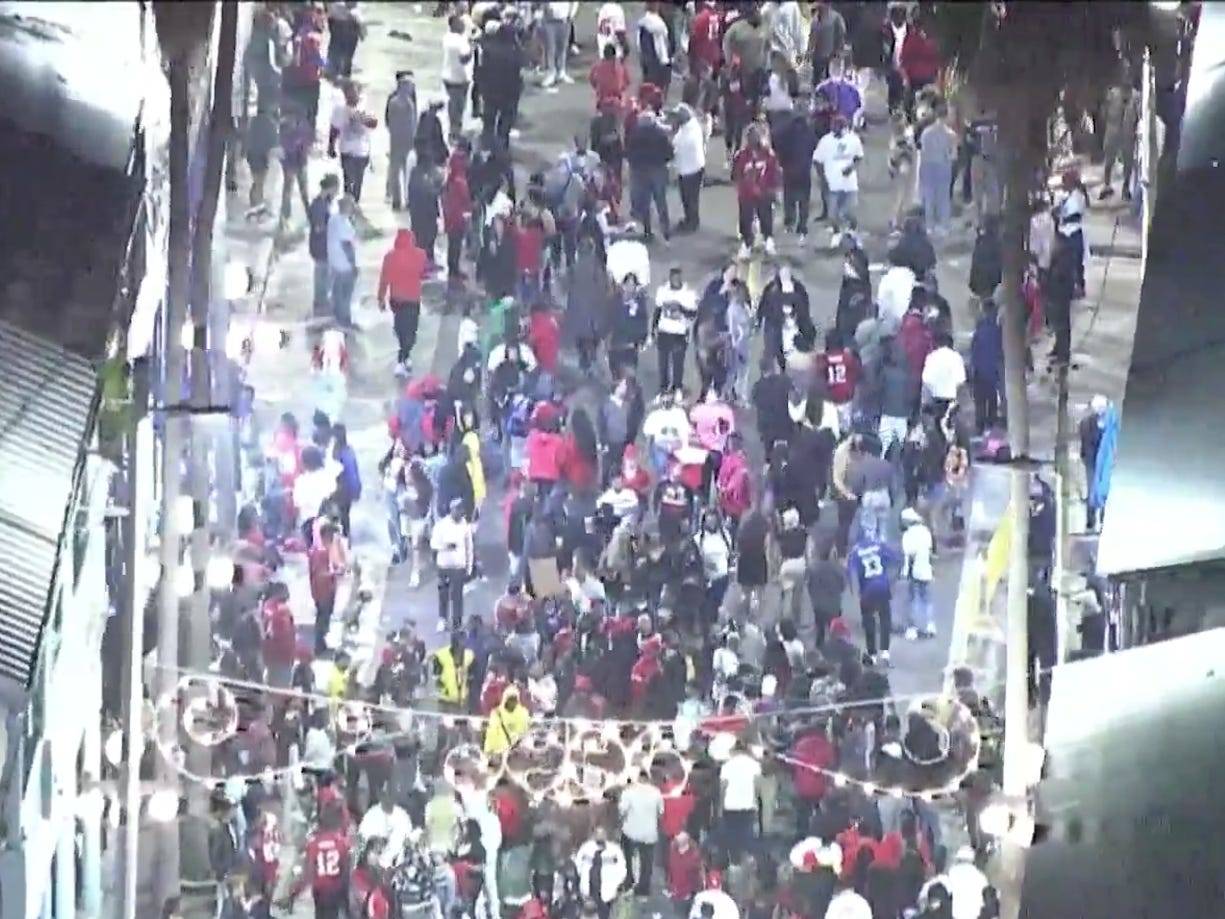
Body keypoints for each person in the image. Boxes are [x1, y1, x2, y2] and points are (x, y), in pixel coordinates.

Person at [282, 807, 351, 918]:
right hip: (335, 891)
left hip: (320, 892)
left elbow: (308, 873)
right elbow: (346, 871)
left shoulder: (313, 844)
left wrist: (295, 891)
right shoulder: (341, 843)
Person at [847, 530, 901, 664]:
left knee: (868, 621)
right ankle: (885, 652)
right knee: (885, 619)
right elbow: (896, 559)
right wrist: (893, 580)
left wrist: (854, 591)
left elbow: (850, 572)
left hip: (867, 590)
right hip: (882, 585)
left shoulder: (855, 552)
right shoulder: (879, 546)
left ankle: (872, 654)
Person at [378, 229, 427, 373]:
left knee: (400, 326)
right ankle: (404, 355)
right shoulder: (420, 255)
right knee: (411, 329)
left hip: (396, 299)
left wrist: (381, 299)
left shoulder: (389, 257)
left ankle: (403, 354)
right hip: (413, 299)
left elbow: (383, 279)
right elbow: (423, 273)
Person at [813, 115, 863, 249]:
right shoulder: (825, 141)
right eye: (835, 126)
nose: (837, 129)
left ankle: (853, 232)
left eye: (840, 127)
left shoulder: (853, 139)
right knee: (832, 215)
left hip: (850, 184)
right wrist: (822, 179)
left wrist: (851, 168)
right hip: (833, 184)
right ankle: (836, 234)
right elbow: (817, 160)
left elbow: (859, 157)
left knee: (849, 212)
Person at [731, 123, 781, 258]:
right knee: (745, 219)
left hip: (764, 192)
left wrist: (773, 190)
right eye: (751, 136)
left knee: (766, 217)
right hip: (747, 194)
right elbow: (736, 175)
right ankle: (747, 243)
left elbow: (774, 172)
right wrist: (743, 188)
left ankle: (768, 239)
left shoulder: (768, 153)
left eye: (756, 136)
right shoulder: (741, 155)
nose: (754, 139)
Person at [626, 110, 674, 242]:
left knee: (645, 202)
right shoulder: (659, 134)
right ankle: (666, 230)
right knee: (661, 201)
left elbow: (628, 152)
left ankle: (648, 230)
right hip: (658, 170)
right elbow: (669, 153)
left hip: (640, 171)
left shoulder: (634, 134)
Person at [329, 83, 378, 204]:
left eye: (354, 93)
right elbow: (334, 129)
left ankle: (354, 205)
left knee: (358, 183)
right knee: (348, 181)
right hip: (347, 152)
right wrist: (331, 147)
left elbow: (374, 123)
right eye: (348, 93)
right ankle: (348, 207)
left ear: (358, 94)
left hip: (363, 152)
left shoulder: (365, 107)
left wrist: (359, 117)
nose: (351, 96)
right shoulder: (339, 109)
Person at [431, 498, 475, 632]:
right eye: (457, 510)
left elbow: (469, 548)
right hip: (444, 566)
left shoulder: (465, 526)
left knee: (457, 596)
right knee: (443, 594)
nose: (459, 513)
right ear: (451, 510)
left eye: (461, 510)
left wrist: (469, 567)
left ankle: (457, 622)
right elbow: (433, 544)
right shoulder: (441, 525)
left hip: (458, 567)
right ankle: (442, 619)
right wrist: (446, 546)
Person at [777, 108, 819, 244]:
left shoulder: (784, 132)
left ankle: (789, 222)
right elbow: (814, 146)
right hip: (804, 170)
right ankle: (802, 225)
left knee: (789, 197)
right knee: (804, 200)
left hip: (789, 168)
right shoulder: (809, 133)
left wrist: (782, 161)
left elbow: (777, 145)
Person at [619, 770, 664, 896]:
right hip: (649, 833)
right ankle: (644, 889)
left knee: (628, 859)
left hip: (631, 832)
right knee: (647, 862)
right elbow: (660, 812)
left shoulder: (629, 791)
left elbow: (622, 810)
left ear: (637, 778)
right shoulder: (656, 792)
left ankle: (629, 880)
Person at [653, 267, 699, 393]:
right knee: (663, 364)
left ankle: (677, 387)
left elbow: (693, 314)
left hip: (679, 333)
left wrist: (681, 309)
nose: (675, 280)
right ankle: (663, 389)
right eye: (673, 277)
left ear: (681, 278)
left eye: (677, 277)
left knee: (678, 363)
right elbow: (657, 311)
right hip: (664, 331)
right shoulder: (662, 291)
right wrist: (653, 329)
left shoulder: (688, 293)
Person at [918, 101, 957, 236]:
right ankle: (944, 226)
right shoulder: (951, 134)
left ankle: (930, 225)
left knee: (928, 196)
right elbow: (953, 155)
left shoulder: (926, 133)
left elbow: (922, 151)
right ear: (946, 116)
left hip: (928, 165)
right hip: (943, 166)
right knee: (943, 197)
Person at [719, 740, 762, 860]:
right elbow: (758, 787)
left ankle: (734, 862)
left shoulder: (726, 765)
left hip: (730, 805)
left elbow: (723, 787)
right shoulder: (755, 765)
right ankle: (748, 862)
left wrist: (720, 807)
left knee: (732, 837)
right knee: (747, 837)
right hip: (749, 805)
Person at [574, 826, 627, 919]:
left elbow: (622, 869)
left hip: (606, 893)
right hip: (588, 892)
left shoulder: (614, 850)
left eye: (602, 834)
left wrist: (615, 885)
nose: (600, 836)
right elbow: (578, 864)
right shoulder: (586, 848)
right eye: (598, 834)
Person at [385, 71, 418, 211]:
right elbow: (413, 124)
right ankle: (407, 199)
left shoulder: (393, 101)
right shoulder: (409, 103)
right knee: (407, 172)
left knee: (395, 170)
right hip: (407, 141)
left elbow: (388, 120)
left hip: (395, 140)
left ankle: (396, 200)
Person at [900, 507, 935, 640]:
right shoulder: (926, 532)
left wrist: (904, 573)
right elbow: (930, 551)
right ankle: (929, 625)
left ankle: (912, 628)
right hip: (926, 569)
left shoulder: (908, 535)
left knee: (912, 600)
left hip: (914, 572)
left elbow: (908, 556)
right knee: (927, 600)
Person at [969, 299, 1003, 434]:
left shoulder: (981, 327)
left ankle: (980, 425)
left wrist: (972, 368)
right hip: (993, 369)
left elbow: (974, 349)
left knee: (980, 400)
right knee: (992, 397)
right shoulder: (998, 329)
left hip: (980, 369)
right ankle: (991, 423)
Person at [359, 787, 414, 869]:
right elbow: (362, 841)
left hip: (396, 866)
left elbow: (408, 841)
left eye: (390, 795)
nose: (388, 799)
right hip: (373, 868)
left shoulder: (403, 816)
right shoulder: (371, 815)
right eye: (384, 795)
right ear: (380, 797)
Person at [308, 175, 341, 316]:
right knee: (322, 274)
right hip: (320, 245)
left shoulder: (323, 203)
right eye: (336, 189)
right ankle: (321, 301)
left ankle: (322, 300)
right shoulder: (319, 206)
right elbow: (318, 228)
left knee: (324, 273)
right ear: (331, 188)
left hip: (322, 245)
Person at [673, 102, 707, 233]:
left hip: (690, 170)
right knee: (690, 198)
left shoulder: (686, 136)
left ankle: (692, 223)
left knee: (689, 198)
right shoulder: (692, 126)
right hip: (694, 166)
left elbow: (675, 148)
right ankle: (690, 219)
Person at [326, 195, 358, 327]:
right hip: (344, 264)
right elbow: (347, 245)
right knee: (346, 293)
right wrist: (353, 264)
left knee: (337, 291)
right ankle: (345, 319)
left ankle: (337, 316)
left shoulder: (333, 219)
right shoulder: (345, 223)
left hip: (334, 261)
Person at [442, 14, 474, 139]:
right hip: (458, 78)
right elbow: (464, 58)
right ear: (454, 25)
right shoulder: (457, 40)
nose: (463, 25)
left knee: (454, 104)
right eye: (460, 23)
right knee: (458, 106)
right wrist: (472, 48)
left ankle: (454, 129)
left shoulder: (448, 37)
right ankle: (454, 132)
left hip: (448, 75)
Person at [921, 332, 966, 419]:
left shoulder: (931, 357)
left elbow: (926, 379)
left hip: (935, 397)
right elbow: (961, 379)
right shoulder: (956, 357)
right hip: (952, 397)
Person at [542, 1, 578, 90]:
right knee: (551, 48)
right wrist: (546, 8)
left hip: (564, 20)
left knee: (563, 47)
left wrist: (571, 14)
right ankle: (551, 73)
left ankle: (562, 71)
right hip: (550, 20)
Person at [807, 2, 847, 79]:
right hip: (817, 58)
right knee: (816, 81)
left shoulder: (836, 18)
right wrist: (809, 52)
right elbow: (812, 37)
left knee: (830, 80)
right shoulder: (815, 20)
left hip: (831, 58)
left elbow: (841, 36)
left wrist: (837, 53)